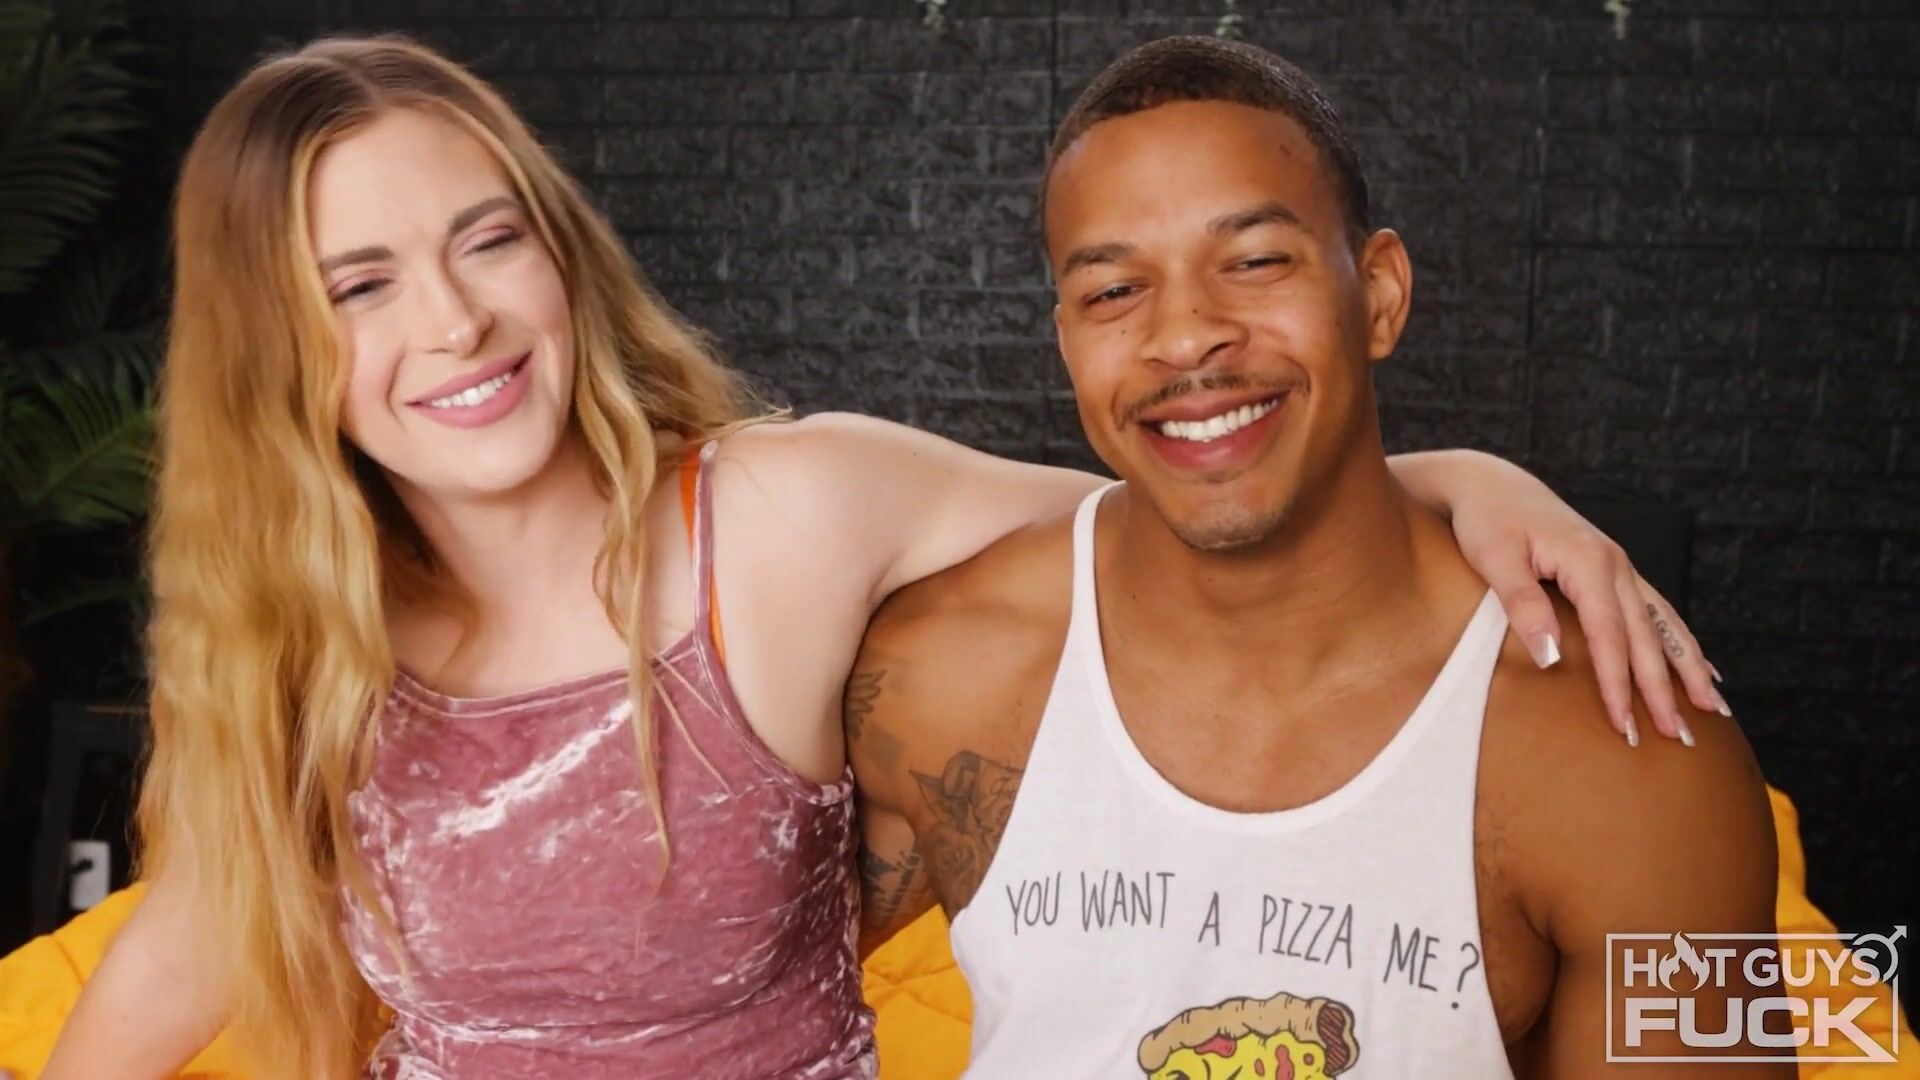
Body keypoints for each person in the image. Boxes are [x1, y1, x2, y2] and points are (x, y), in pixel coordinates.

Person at [43, 35, 1719, 1080]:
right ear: (275, 351)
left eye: (491, 241)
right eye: (361, 284)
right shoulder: (298, 652)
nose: (457, 318)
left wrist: (1459, 478)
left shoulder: (786, 517)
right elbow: (188, 938)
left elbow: (1190, 494)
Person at [845, 36, 1783, 1079]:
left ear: (1378, 293)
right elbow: (717, 1004)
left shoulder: (1629, 757)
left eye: (1253, 262)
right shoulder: (939, 673)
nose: (1185, 336)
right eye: (1113, 291)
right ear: (1066, 341)